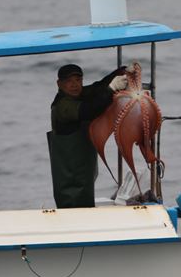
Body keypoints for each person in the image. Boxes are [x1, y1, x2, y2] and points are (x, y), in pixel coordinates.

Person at [47, 64, 127, 208]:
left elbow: (97, 88)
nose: (75, 85)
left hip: (82, 174)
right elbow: (88, 110)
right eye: (69, 81)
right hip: (69, 179)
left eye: (78, 80)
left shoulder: (78, 94)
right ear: (59, 84)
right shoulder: (62, 106)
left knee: (85, 201)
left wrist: (120, 72)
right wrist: (112, 89)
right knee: (73, 206)